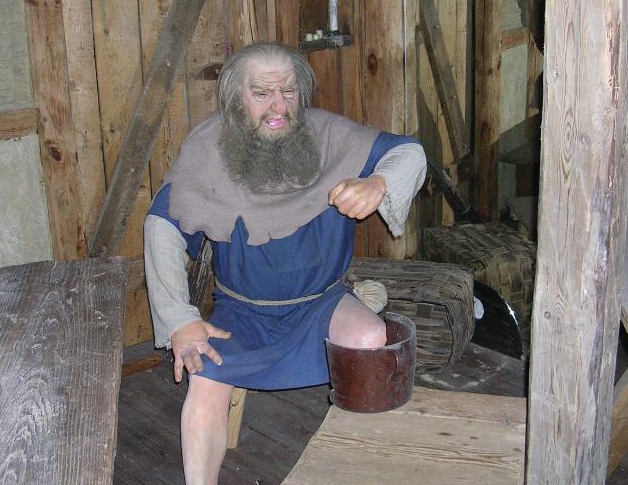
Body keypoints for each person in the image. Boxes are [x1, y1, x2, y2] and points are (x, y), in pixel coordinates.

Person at [144, 42, 427, 484]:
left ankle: (360, 465)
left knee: (371, 338)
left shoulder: (329, 135)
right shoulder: (207, 149)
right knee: (204, 374)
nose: (279, 107)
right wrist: (180, 320)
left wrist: (379, 182)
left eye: (289, 92)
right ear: (235, 97)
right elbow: (162, 226)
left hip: (322, 302)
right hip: (243, 313)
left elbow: (410, 153)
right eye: (262, 93)